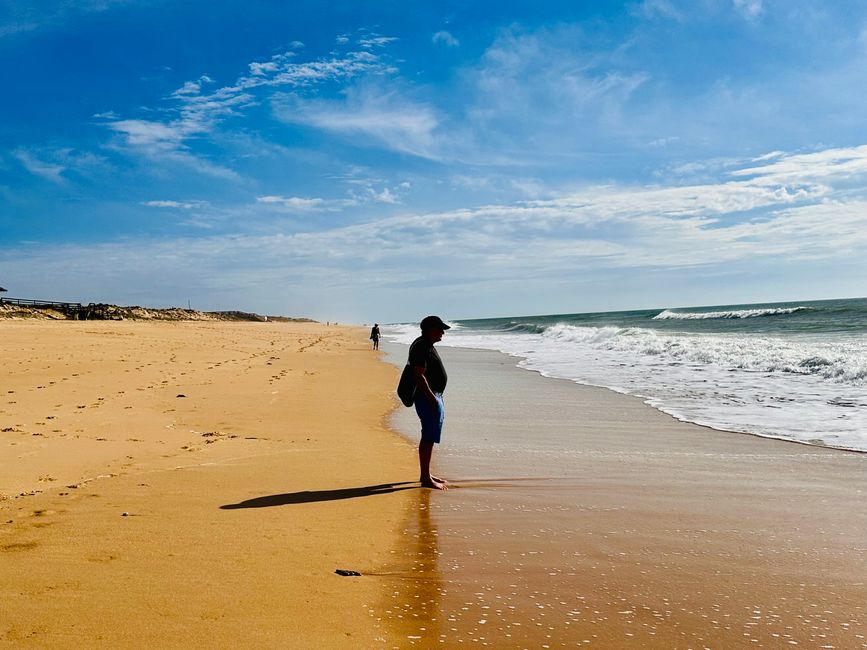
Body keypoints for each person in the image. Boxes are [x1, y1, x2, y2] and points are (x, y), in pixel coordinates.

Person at [408, 315, 450, 490]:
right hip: (428, 398)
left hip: (432, 396)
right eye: (440, 329)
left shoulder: (426, 344)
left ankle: (426, 474)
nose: (442, 332)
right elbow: (418, 375)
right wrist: (432, 398)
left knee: (430, 436)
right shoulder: (422, 346)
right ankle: (425, 478)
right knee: (428, 437)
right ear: (430, 330)